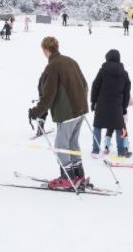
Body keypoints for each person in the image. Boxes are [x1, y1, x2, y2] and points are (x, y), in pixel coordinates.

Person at [28, 37, 89, 190]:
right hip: (80, 110)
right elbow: (85, 84)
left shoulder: (53, 67)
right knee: (72, 143)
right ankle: (78, 174)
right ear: (57, 46)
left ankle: (67, 178)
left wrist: (36, 112)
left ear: (45, 50)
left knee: (61, 146)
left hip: (67, 113)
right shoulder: (70, 61)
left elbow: (48, 96)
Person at [90, 50, 132, 158]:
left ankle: (95, 151)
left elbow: (95, 86)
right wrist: (124, 108)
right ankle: (121, 151)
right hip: (116, 105)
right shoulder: (124, 73)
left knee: (98, 126)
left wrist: (93, 101)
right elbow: (126, 93)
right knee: (119, 127)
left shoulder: (102, 71)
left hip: (102, 104)